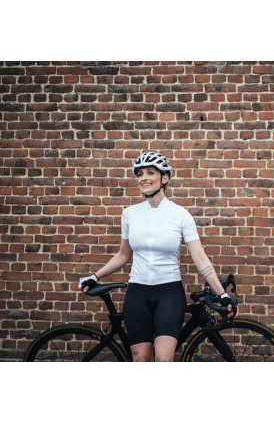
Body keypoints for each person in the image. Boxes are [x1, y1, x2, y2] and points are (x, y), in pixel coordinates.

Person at [78, 151, 238, 362]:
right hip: (137, 293)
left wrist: (222, 294)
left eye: (150, 172)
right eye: (140, 174)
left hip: (168, 293)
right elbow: (123, 254)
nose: (143, 178)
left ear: (165, 178)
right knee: (141, 358)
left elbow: (200, 257)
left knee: (163, 359)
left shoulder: (181, 215)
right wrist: (95, 276)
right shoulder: (130, 214)